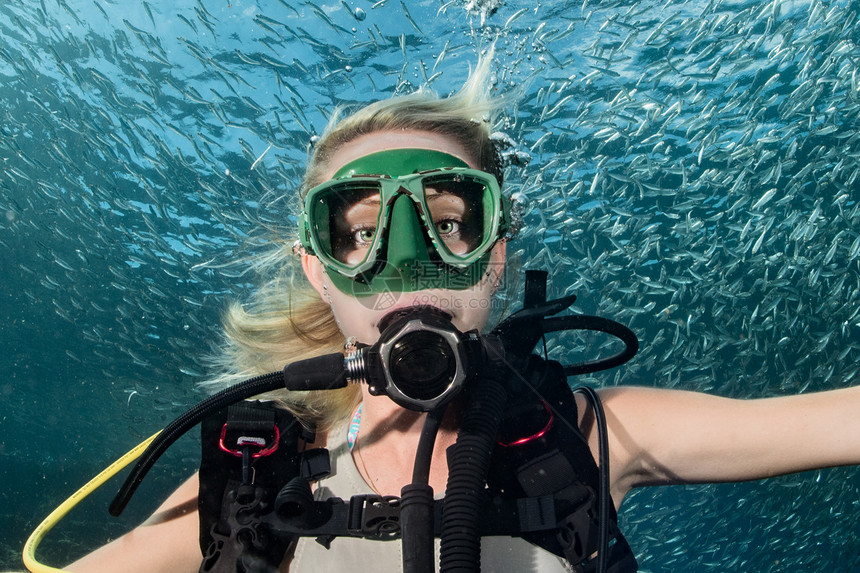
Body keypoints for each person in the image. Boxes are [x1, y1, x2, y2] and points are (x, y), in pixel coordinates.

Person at [60, 53, 860, 573]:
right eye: (362, 233)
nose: (409, 263)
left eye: (448, 222)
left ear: (497, 251)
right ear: (316, 268)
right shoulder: (254, 473)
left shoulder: (591, 436)